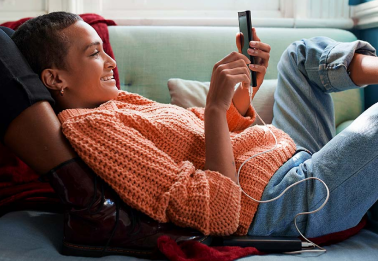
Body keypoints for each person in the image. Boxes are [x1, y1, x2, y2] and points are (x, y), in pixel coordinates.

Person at [1, 11, 378, 257]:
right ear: (54, 79)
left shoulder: (119, 104)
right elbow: (215, 211)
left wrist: (242, 96)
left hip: (289, 160)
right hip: (288, 201)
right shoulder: (93, 128)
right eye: (94, 53)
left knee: (297, 55)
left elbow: (204, 140)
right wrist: (214, 109)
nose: (112, 62)